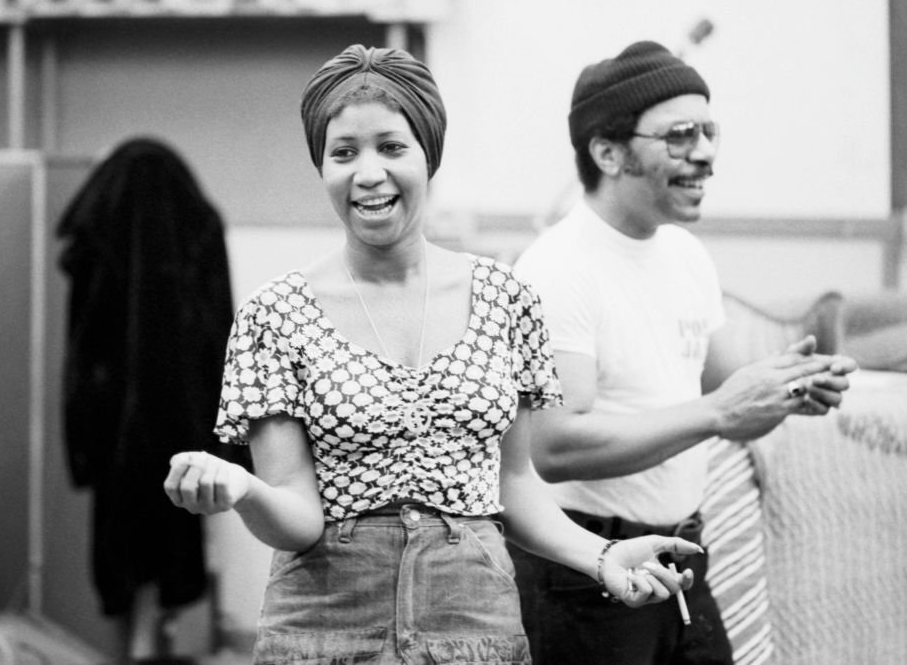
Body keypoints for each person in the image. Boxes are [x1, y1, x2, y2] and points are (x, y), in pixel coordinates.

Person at [163, 44, 703, 665]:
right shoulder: (274, 315)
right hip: (323, 632)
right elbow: (297, 517)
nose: (368, 173)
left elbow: (514, 485)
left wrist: (601, 556)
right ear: (322, 167)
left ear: (429, 156)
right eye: (343, 153)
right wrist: (241, 490)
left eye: (392, 147)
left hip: (474, 628)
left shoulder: (506, 300)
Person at [510, 40, 859, 664]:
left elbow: (715, 382)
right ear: (607, 152)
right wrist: (720, 413)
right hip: (587, 569)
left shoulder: (683, 253)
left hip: (682, 553)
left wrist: (793, 387)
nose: (705, 154)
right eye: (679, 135)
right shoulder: (556, 271)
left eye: (709, 131)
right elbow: (555, 446)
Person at [58, 137, 240, 663]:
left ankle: (132, 648)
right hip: (182, 434)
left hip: (115, 438)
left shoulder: (99, 233)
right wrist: (226, 445)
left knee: (122, 556)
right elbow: (223, 342)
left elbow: (80, 354)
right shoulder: (198, 227)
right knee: (173, 550)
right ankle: (155, 642)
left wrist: (82, 445)